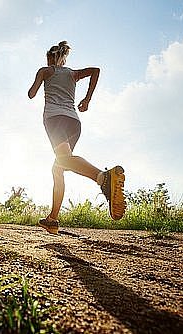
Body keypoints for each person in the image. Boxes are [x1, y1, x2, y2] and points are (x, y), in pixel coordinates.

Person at [28, 41, 126, 234]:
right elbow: (95, 71)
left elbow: (31, 94)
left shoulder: (45, 71)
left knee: (64, 160)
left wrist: (41, 79)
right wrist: (87, 99)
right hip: (74, 122)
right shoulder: (73, 74)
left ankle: (103, 177)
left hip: (54, 119)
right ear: (63, 59)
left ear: (51, 58)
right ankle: (53, 219)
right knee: (59, 167)